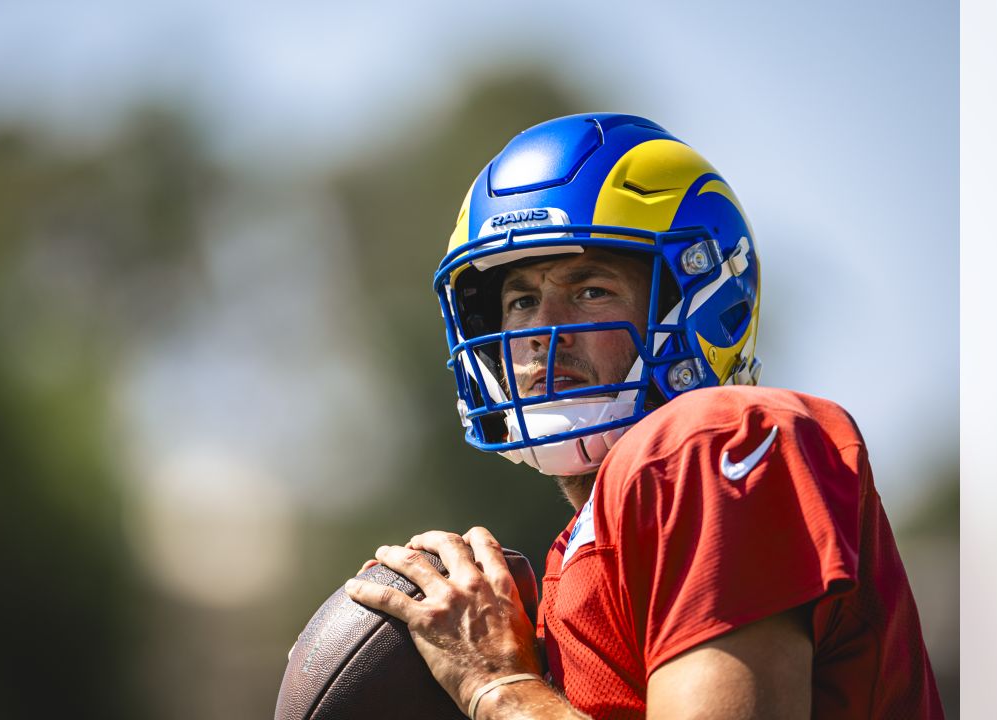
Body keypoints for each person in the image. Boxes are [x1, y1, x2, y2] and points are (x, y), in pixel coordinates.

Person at [344, 114, 944, 719]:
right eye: (521, 301)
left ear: (704, 307)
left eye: (590, 291)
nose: (540, 332)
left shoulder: (711, 442)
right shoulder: (573, 555)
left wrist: (497, 689)